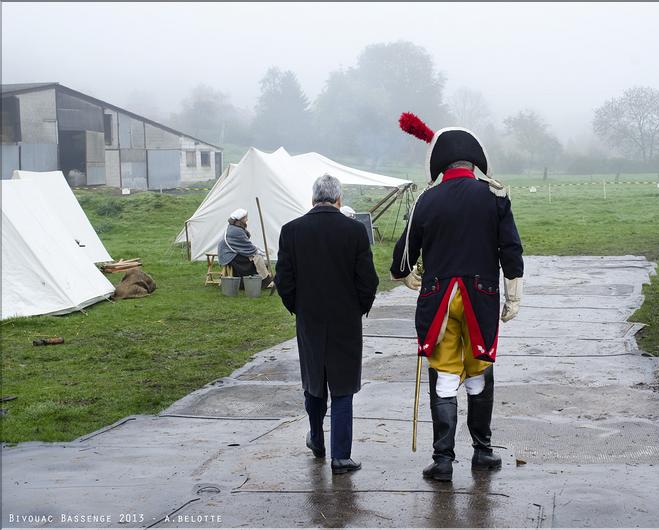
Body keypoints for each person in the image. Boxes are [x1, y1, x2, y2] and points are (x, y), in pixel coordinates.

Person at [390, 113, 524, 482]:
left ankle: (443, 460)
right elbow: (510, 248)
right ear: (474, 161)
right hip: (481, 298)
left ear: (440, 164)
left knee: (446, 377)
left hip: (440, 299)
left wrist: (406, 275)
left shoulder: (426, 200)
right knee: (478, 373)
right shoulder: (494, 196)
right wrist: (513, 292)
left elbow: (403, 255)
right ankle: (482, 451)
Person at [275, 174, 379, 475]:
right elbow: (367, 280)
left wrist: (298, 308)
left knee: (314, 382)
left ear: (312, 198)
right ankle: (341, 457)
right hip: (345, 319)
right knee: (343, 388)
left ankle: (317, 440)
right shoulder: (355, 231)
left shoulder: (291, 231)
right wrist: (358, 308)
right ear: (339, 200)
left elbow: (284, 279)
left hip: (310, 319)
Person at [217, 208, 271, 287]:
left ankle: (264, 278)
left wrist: (258, 250)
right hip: (230, 256)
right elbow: (247, 246)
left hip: (232, 253)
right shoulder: (236, 230)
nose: (247, 219)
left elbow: (245, 245)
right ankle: (264, 281)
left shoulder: (234, 227)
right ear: (240, 219)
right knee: (257, 258)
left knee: (257, 257)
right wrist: (259, 252)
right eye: (245, 218)